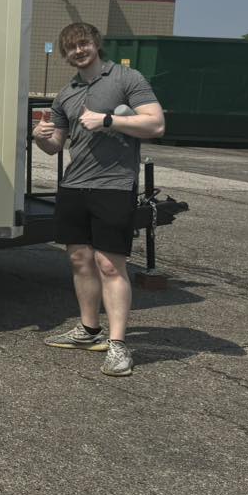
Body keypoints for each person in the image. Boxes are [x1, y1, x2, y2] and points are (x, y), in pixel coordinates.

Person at [33, 22, 165, 376]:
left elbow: (156, 125)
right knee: (80, 261)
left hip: (114, 185)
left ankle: (118, 344)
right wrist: (40, 136)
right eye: (71, 47)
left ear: (95, 43)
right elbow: (55, 146)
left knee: (110, 265)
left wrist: (109, 120)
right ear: (65, 55)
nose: (78, 51)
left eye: (83, 43)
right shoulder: (66, 94)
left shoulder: (126, 78)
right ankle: (89, 329)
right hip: (75, 185)